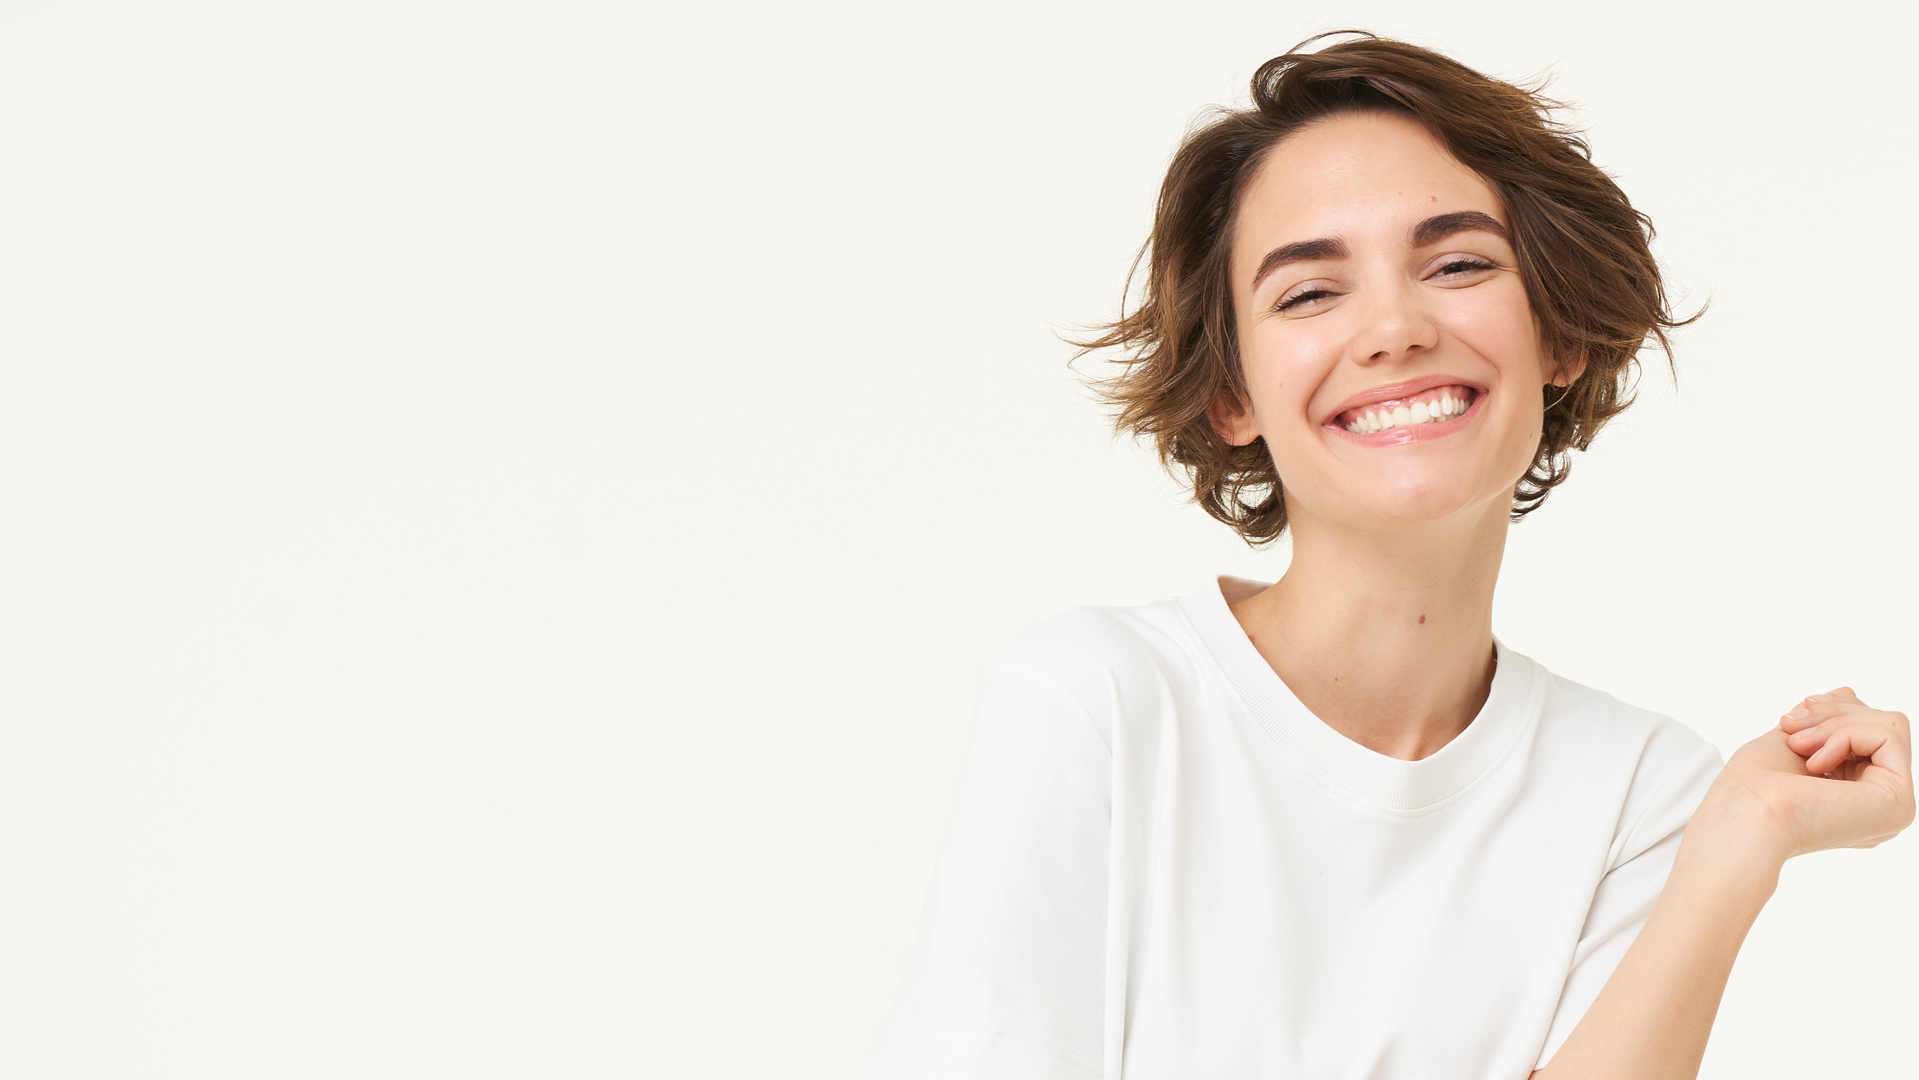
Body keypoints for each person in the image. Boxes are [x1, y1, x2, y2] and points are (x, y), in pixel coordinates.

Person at [858, 34, 1913, 1080]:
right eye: (1308, 293)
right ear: (1229, 395)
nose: (1393, 328)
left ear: (1556, 336)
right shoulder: (1098, 703)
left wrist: (1743, 834)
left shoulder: (1642, 791)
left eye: (1454, 265)